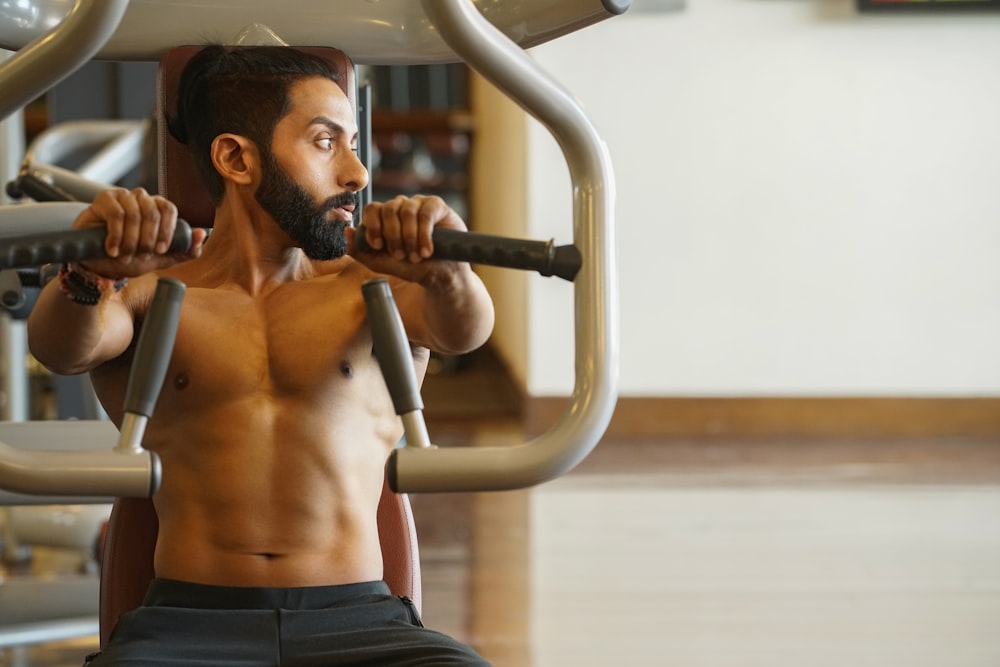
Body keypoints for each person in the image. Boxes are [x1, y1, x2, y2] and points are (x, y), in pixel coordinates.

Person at [27, 45, 494, 666]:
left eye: (353, 143)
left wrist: (449, 270)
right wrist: (87, 274)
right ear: (236, 158)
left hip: (361, 624)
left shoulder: (372, 290)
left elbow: (465, 330)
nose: (357, 172)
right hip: (185, 628)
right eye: (327, 142)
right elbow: (61, 348)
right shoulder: (154, 294)